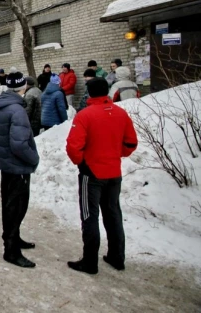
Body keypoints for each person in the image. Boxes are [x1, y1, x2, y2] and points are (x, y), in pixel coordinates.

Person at [66, 78, 138, 274]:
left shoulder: (85, 115)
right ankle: (117, 256)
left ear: (89, 93)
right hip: (114, 172)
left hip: (92, 173)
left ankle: (90, 262)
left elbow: (73, 146)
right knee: (113, 214)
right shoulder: (120, 113)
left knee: (90, 216)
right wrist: (115, 154)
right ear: (107, 91)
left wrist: (82, 162)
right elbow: (131, 143)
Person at [0, 67, 40, 269]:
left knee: (10, 206)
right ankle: (11, 250)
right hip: (19, 167)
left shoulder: (0, 106)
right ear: (24, 86)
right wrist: (33, 158)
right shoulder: (17, 110)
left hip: (6, 165)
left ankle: (14, 238)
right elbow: (20, 144)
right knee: (16, 207)